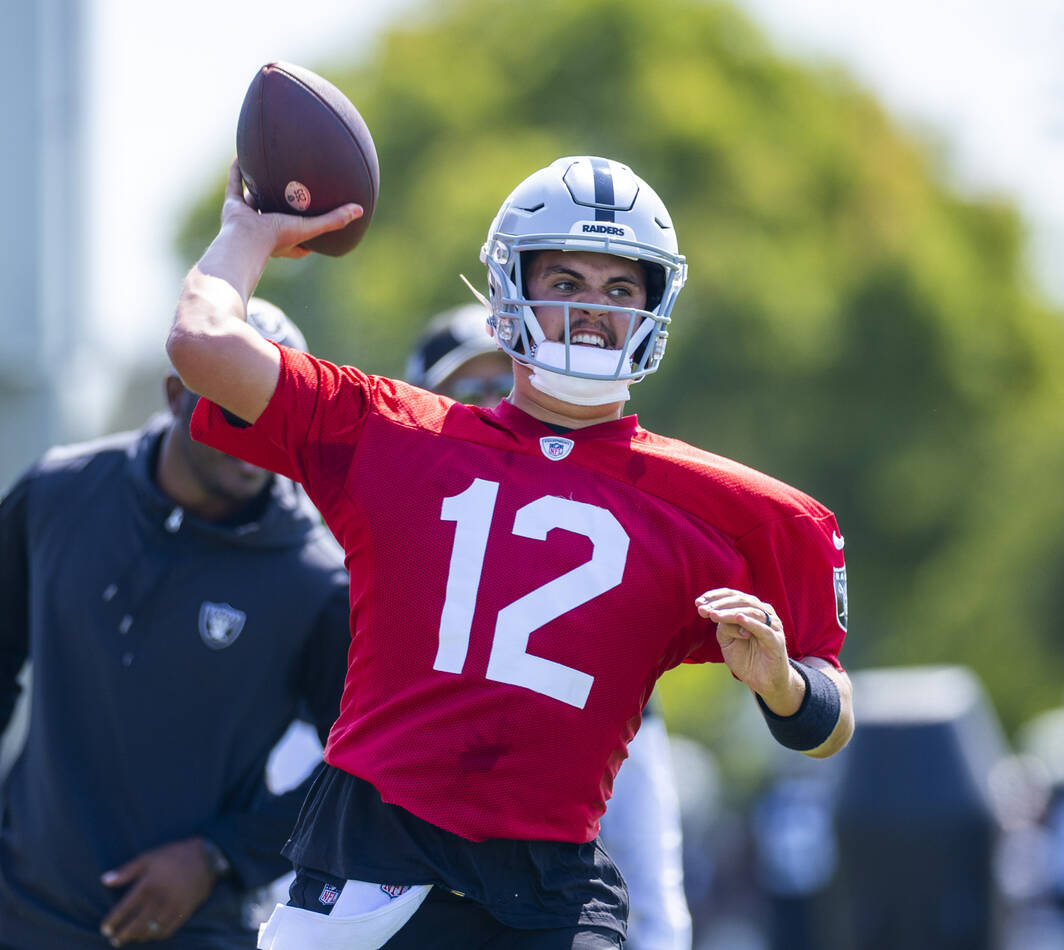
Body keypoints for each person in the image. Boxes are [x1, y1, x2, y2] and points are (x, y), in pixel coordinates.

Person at [167, 154, 855, 950]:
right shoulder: (397, 434)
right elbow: (203, 345)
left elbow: (830, 719)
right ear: (508, 290)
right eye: (565, 282)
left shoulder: (739, 513)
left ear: (655, 305)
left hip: (550, 894)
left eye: (620, 288)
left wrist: (782, 685)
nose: (594, 310)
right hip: (370, 861)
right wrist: (245, 234)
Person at [0, 300, 351, 950]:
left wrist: (222, 855)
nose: (262, 438)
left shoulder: (317, 578)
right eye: (239, 408)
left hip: (197, 932)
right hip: (21, 911)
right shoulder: (57, 493)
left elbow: (361, 771)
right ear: (173, 394)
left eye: (283, 416)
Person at [406, 305, 693, 950]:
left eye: (504, 384)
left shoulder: (595, 560)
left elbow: (647, 870)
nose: (494, 405)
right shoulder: (379, 549)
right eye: (469, 390)